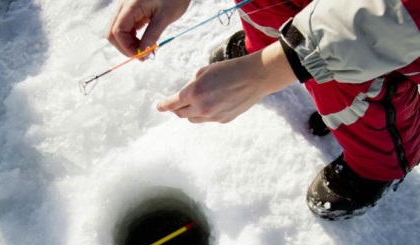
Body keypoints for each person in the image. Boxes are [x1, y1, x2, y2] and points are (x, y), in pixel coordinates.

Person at [107, 0, 420, 220]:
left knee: (346, 68)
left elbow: (396, 16)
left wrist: (269, 70)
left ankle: (378, 164)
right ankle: (265, 45)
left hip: (391, 27)